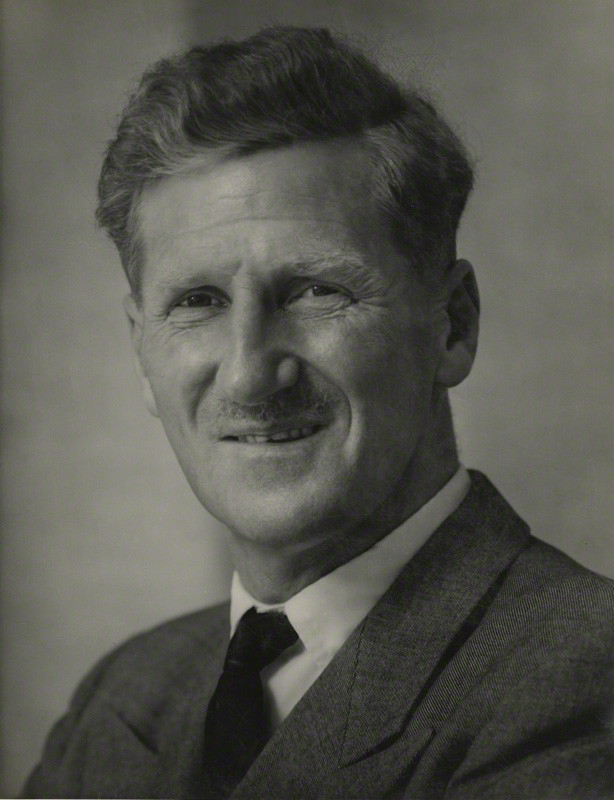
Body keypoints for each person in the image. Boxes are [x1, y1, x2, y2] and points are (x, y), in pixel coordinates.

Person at [24, 26, 613, 800]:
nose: (249, 373)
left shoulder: (584, 682)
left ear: (453, 326)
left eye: (315, 291)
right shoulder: (122, 697)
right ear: (142, 351)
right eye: (197, 302)